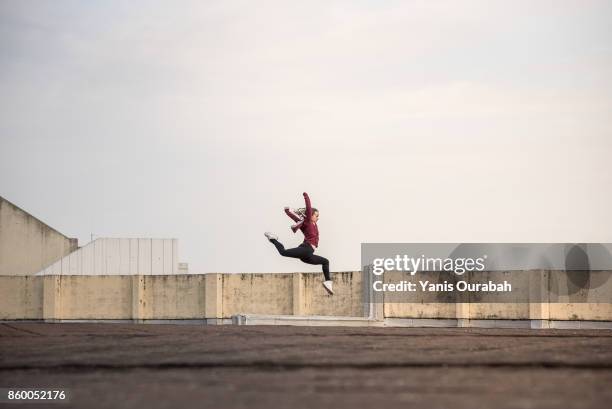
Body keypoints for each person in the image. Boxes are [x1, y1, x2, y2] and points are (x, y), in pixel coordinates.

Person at [265, 192, 333, 295]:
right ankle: (273, 239)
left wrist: (288, 212)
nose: (318, 217)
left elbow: (296, 218)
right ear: (311, 215)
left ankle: (328, 283)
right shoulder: (308, 222)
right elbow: (308, 208)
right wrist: (306, 196)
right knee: (283, 252)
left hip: (308, 255)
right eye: (316, 215)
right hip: (306, 249)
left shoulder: (312, 223)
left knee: (325, 261)